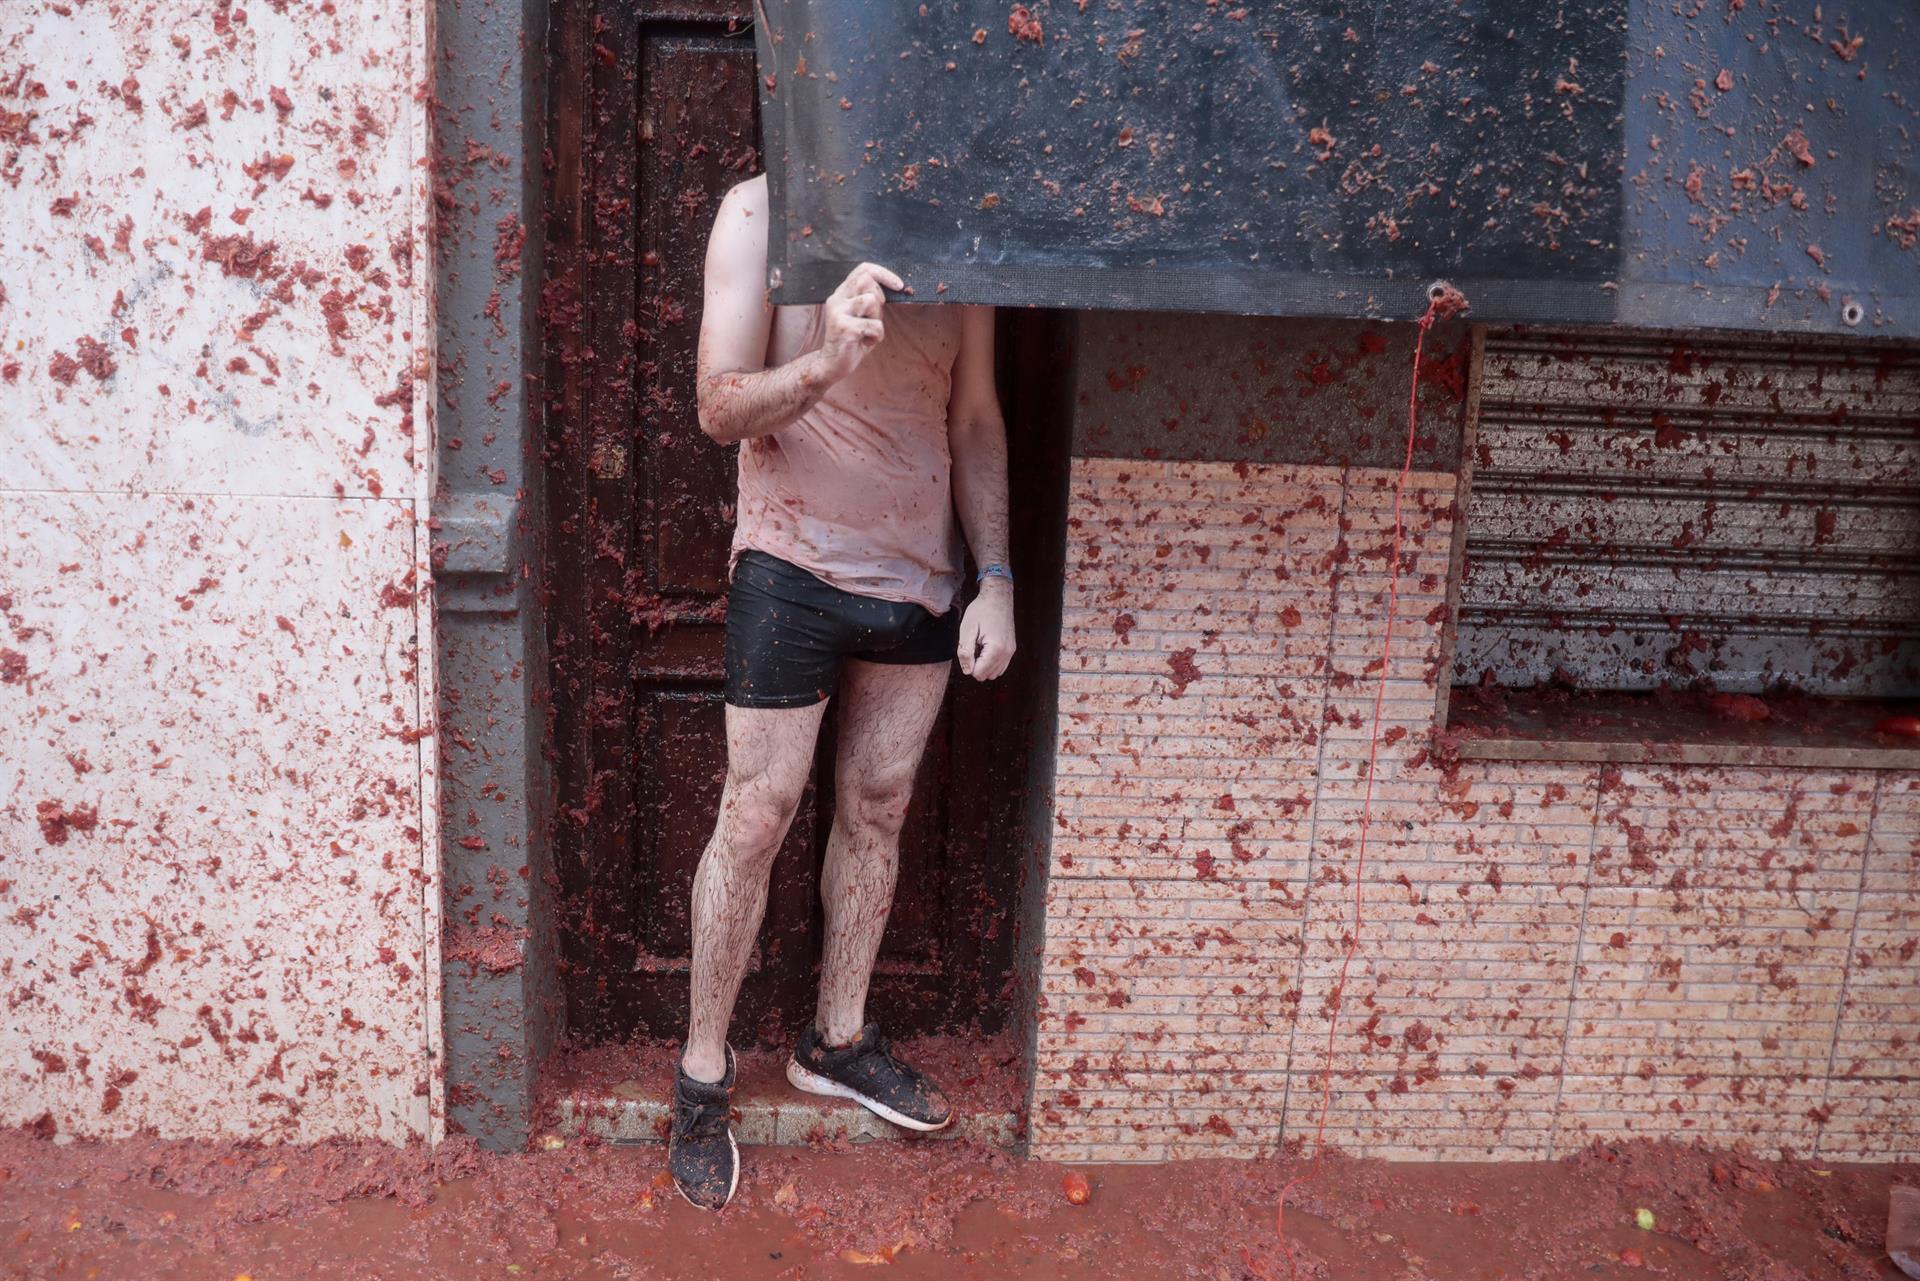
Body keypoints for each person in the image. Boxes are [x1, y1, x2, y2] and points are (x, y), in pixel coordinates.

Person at [668, 172, 1015, 1210]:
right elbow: (717, 406)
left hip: (921, 575)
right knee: (757, 812)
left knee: (880, 803)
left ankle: (837, 1039)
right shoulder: (760, 211)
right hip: (789, 567)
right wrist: (825, 358)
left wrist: (996, 578)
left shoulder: (962, 222)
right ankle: (701, 1077)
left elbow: (975, 416)